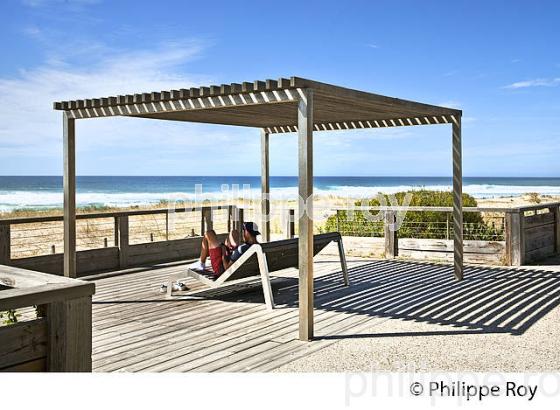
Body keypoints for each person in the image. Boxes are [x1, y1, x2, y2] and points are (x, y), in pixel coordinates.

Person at [188, 222, 260, 277]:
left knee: (209, 233)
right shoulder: (259, 247)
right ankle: (202, 262)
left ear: (247, 232)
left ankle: (201, 263)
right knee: (234, 232)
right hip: (241, 267)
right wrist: (233, 251)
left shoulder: (242, 248)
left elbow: (227, 269)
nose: (243, 233)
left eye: (244, 231)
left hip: (221, 268)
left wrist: (223, 254)